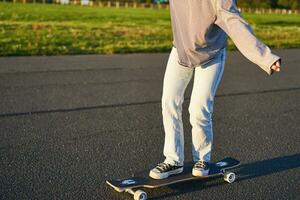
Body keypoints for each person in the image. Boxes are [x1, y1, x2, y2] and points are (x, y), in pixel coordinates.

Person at [149, 0, 282, 180]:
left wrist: (266, 58)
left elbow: (236, 24)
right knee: (169, 102)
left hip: (211, 53)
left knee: (198, 109)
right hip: (180, 52)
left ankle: (202, 159)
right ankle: (173, 160)